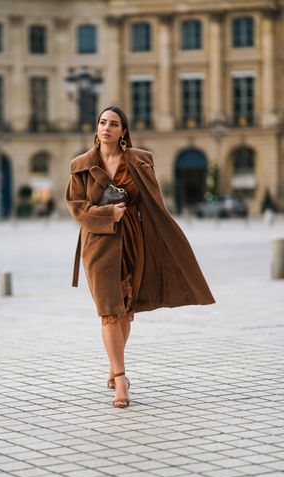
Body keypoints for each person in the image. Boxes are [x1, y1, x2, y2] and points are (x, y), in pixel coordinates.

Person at [65, 106, 215, 408]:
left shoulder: (140, 160)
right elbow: (76, 207)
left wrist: (164, 242)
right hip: (98, 243)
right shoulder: (80, 165)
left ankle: (113, 361)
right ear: (96, 128)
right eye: (102, 122)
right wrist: (107, 213)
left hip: (134, 240)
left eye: (114, 123)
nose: (106, 127)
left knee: (125, 310)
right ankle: (121, 380)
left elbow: (155, 205)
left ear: (123, 131)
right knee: (109, 310)